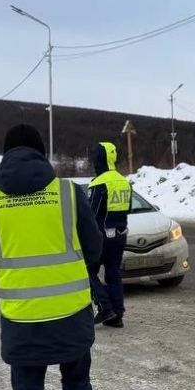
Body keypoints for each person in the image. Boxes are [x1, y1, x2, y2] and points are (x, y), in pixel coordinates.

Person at [0, 123, 103, 390]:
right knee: (78, 388)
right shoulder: (69, 192)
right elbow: (94, 250)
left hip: (21, 321)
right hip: (72, 315)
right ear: (41, 154)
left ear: (5, 155)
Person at [86, 140, 133, 328]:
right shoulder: (124, 182)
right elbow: (127, 208)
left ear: (99, 159)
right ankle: (117, 315)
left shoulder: (99, 183)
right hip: (120, 235)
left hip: (101, 237)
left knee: (88, 271)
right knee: (113, 274)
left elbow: (92, 214)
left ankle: (105, 307)